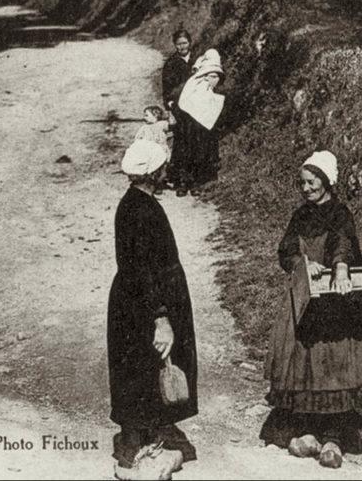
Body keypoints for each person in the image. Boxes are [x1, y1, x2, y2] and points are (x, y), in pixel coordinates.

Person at [262, 151, 362, 469]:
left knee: (334, 363)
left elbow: (345, 243)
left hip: (334, 300)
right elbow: (285, 249)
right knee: (304, 362)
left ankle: (334, 437)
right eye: (303, 183)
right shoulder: (300, 216)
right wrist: (302, 263)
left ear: (326, 182)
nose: (306, 188)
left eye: (312, 182)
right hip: (304, 295)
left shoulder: (340, 213)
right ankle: (308, 430)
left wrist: (339, 268)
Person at [109, 139, 198, 480]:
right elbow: (142, 269)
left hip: (137, 301)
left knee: (141, 365)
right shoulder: (140, 210)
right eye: (162, 165)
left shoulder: (135, 203)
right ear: (153, 172)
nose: (166, 169)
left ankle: (150, 431)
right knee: (144, 364)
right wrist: (161, 317)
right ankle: (139, 441)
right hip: (144, 305)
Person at [173, 49, 225, 197]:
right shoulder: (195, 77)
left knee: (197, 150)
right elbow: (185, 93)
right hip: (187, 119)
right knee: (185, 149)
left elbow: (214, 86)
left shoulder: (214, 72)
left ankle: (194, 181)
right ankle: (184, 181)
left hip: (199, 122)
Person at [162, 29, 193, 192]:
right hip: (180, 108)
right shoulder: (171, 64)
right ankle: (180, 180)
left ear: (190, 43)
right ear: (175, 45)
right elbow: (166, 90)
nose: (182, 47)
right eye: (179, 44)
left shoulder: (197, 61)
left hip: (196, 108)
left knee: (196, 142)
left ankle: (194, 180)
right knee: (181, 142)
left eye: (185, 43)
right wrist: (170, 109)